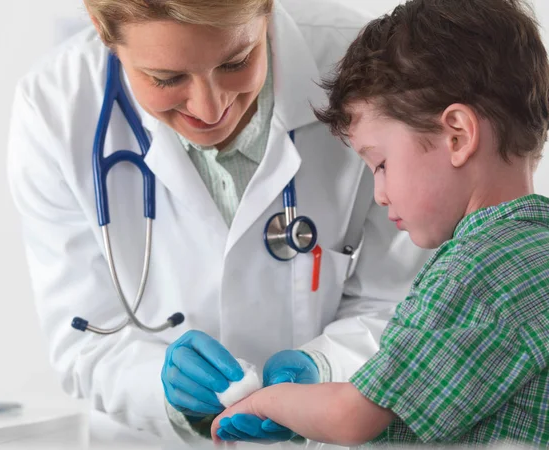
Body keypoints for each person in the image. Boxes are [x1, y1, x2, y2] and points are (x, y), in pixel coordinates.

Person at [6, 0, 430, 444]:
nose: (210, 109)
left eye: (236, 62)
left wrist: (326, 367)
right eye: (167, 78)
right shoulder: (55, 108)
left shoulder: (370, 66)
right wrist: (164, 389)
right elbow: (85, 338)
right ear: (101, 29)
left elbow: (404, 298)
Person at [211, 0, 549, 446]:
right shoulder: (534, 252)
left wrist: (263, 402)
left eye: (381, 163)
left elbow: (352, 417)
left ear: (458, 136)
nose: (380, 192)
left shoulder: (475, 271)